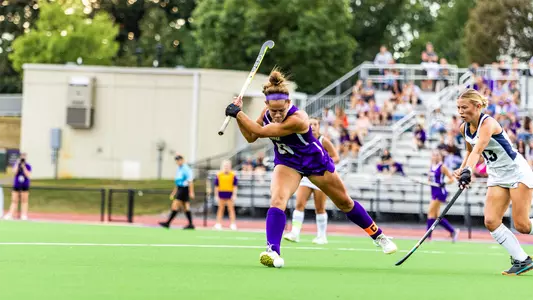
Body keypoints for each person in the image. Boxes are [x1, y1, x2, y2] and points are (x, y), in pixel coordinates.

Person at [224, 69, 397, 268]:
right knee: (277, 199)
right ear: (266, 105)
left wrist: (238, 113)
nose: (278, 114)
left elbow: (261, 132)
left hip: (314, 162)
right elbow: (250, 137)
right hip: (288, 163)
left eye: (282, 110)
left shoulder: (299, 118)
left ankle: (378, 236)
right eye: (274, 111)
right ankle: (273, 251)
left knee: (344, 203)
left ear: (288, 103)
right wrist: (238, 117)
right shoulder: (266, 114)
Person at [455, 88, 533, 275]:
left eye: (464, 107)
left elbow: (478, 150)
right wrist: (462, 169)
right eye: (458, 108)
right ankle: (522, 260)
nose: (460, 112)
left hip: (516, 172)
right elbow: (469, 151)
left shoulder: (488, 123)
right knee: (491, 220)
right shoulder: (463, 127)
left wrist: (469, 170)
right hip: (497, 175)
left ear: (478, 106)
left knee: (522, 225)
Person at [283, 117, 340, 245]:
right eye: (310, 124)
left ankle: (321, 236)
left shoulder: (323, 140)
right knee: (299, 204)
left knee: (319, 207)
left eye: (315, 124)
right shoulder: (302, 139)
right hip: (306, 177)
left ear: (319, 126)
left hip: (320, 176)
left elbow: (336, 157)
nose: (312, 126)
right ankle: (295, 233)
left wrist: (324, 163)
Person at [426, 150, 458, 241]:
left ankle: (428, 237)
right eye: (433, 155)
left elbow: (452, 179)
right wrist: (429, 181)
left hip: (440, 192)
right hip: (433, 192)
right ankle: (452, 231)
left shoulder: (442, 167)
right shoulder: (431, 166)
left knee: (430, 213)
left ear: (440, 157)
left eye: (437, 155)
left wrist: (443, 183)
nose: (435, 157)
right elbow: (429, 179)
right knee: (437, 216)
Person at [159, 154, 195, 229]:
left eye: (179, 160)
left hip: (184, 189)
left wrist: (191, 192)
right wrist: (174, 192)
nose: (178, 161)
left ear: (182, 160)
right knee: (186, 207)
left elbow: (190, 181)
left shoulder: (186, 168)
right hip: (180, 188)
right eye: (177, 160)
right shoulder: (179, 168)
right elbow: (177, 182)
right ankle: (191, 224)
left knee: (175, 205)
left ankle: (168, 223)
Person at [4, 153, 32, 220]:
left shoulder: (28, 166)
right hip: (17, 185)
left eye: (24, 157)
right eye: (22, 157)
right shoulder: (16, 165)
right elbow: (14, 172)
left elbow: (28, 175)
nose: (23, 158)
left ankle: (24, 215)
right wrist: (17, 164)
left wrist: (23, 167)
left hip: (25, 185)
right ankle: (11, 214)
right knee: (14, 200)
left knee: (24, 201)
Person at [213, 160, 238, 230]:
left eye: (228, 165)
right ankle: (218, 223)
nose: (226, 167)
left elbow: (235, 186)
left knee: (231, 209)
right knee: (220, 209)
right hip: (221, 194)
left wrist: (234, 195)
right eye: (225, 165)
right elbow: (216, 186)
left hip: (230, 194)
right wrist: (216, 195)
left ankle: (233, 224)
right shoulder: (219, 175)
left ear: (230, 166)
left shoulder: (233, 175)